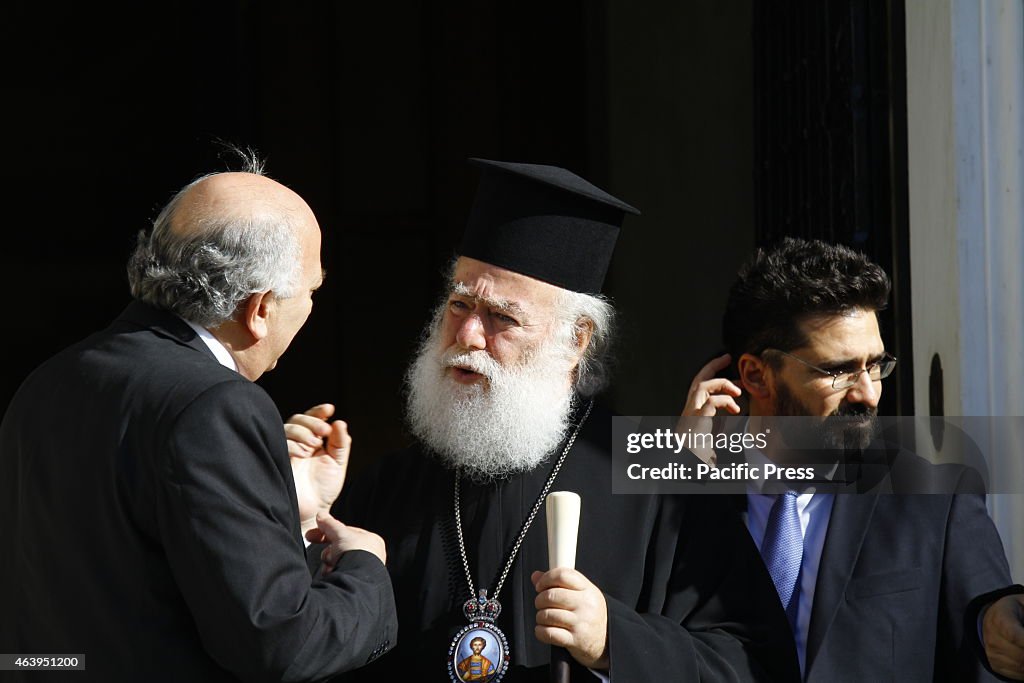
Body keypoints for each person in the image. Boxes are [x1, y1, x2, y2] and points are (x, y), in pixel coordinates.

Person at [287, 158, 800, 681]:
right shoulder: (387, 488)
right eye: (460, 304)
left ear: (575, 341)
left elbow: (752, 663)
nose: (467, 337)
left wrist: (612, 641)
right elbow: (303, 652)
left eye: (503, 318)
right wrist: (306, 524)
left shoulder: (658, 481)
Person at [0, 156, 397, 681]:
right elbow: (280, 644)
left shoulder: (47, 381)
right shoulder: (216, 403)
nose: (310, 307)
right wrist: (364, 568)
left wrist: (288, 516)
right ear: (259, 309)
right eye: (311, 291)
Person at [680, 237, 1022, 681]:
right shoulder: (682, 493)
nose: (868, 393)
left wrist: (997, 631)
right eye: (839, 371)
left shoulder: (936, 500)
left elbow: (989, 631)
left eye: (876, 365)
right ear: (755, 375)